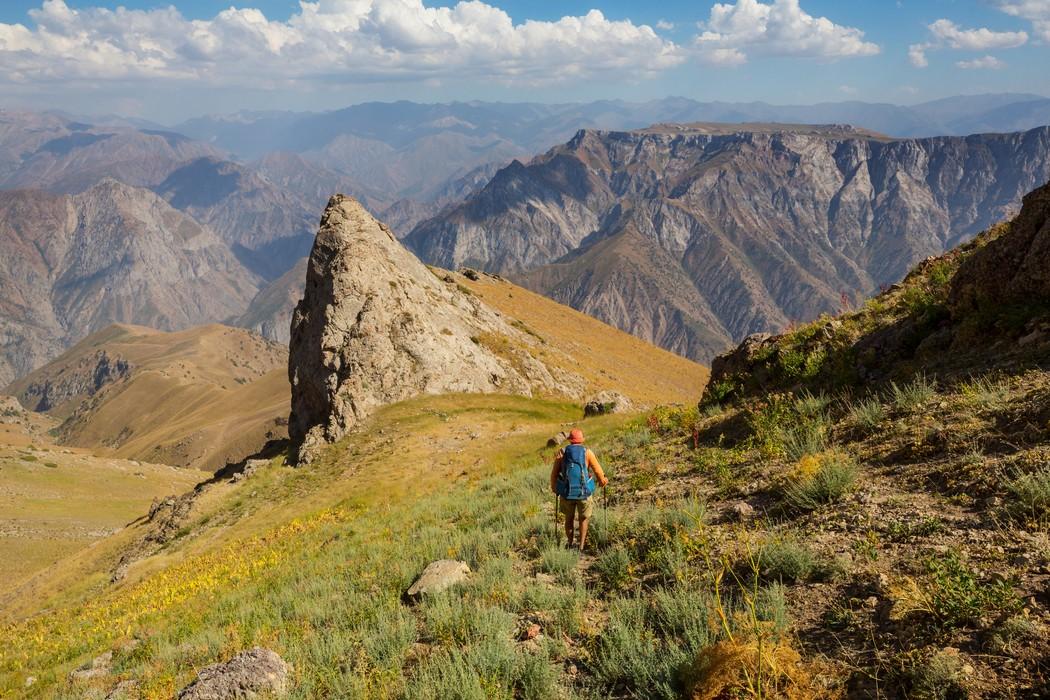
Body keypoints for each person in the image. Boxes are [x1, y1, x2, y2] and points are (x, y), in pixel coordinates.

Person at [550, 428, 608, 551]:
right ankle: (581, 546)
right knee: (583, 519)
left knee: (569, 519)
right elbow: (597, 470)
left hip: (567, 493)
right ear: (581, 440)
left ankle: (570, 543)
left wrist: (554, 488)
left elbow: (554, 473)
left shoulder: (562, 452)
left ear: (570, 440)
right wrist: (603, 481)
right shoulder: (587, 452)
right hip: (584, 493)